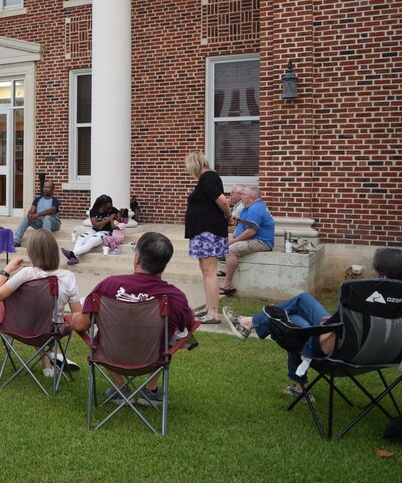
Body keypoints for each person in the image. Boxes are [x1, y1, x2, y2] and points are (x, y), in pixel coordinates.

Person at [223, 248, 402, 399]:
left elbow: (339, 332)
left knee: (291, 325)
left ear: (382, 275)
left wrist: (332, 324)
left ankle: (249, 323)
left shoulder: (364, 295)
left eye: (374, 268)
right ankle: (251, 324)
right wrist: (335, 321)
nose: (372, 271)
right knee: (303, 300)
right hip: (385, 355)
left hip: (336, 354)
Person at [71, 232, 195, 405]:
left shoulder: (108, 285)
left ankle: (120, 389)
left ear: (137, 257)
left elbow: (81, 325)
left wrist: (72, 317)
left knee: (101, 334)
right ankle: (150, 390)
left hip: (110, 356)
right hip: (152, 359)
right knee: (173, 334)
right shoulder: (175, 296)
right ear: (164, 264)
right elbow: (190, 323)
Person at [0, 229, 81, 377]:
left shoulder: (26, 274)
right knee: (54, 320)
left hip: (19, 328)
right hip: (51, 331)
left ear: (32, 251)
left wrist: (8, 268)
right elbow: (77, 314)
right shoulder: (68, 277)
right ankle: (54, 357)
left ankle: (48, 365)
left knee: (37, 317)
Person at [183, 151, 230, 325]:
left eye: (189, 166)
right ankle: (209, 309)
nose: (189, 170)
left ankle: (214, 313)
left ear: (195, 164)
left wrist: (228, 215)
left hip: (208, 232)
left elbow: (223, 201)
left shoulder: (208, 178)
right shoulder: (206, 179)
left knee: (209, 272)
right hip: (203, 232)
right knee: (206, 272)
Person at [220, 186, 275, 295]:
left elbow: (251, 232)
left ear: (251, 198)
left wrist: (232, 242)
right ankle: (226, 270)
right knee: (222, 242)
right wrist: (232, 237)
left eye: (244, 195)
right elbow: (241, 225)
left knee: (230, 250)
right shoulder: (248, 207)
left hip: (261, 242)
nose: (241, 197)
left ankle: (227, 285)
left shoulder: (255, 209)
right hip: (252, 238)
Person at [60, 194, 120, 266]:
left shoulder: (113, 210)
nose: (110, 209)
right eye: (108, 207)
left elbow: (120, 217)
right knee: (80, 238)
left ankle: (72, 254)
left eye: (111, 207)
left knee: (91, 240)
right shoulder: (94, 211)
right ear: (102, 205)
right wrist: (109, 219)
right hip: (94, 230)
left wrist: (119, 215)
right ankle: (74, 257)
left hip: (106, 233)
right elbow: (96, 225)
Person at [13, 180, 61, 248]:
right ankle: (17, 241)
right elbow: (32, 210)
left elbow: (52, 210)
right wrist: (30, 215)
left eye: (48, 187)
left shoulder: (55, 200)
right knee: (26, 219)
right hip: (40, 224)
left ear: (53, 189)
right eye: (44, 187)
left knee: (47, 218)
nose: (45, 189)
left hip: (54, 224)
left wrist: (37, 215)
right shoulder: (38, 199)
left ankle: (45, 244)